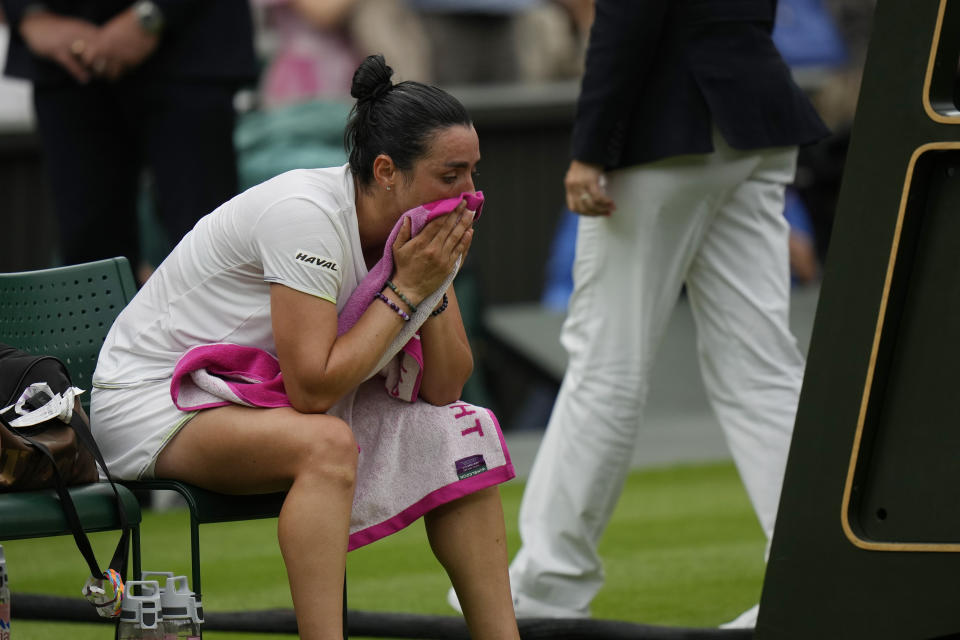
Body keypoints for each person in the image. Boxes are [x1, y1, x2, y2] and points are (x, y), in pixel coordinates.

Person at [90, 54, 520, 640]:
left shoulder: (417, 237)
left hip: (252, 398)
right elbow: (313, 390)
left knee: (458, 429)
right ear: (388, 171)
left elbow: (445, 388)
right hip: (151, 400)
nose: (470, 195)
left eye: (473, 173)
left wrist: (432, 284)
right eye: (451, 176)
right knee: (325, 444)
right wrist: (406, 290)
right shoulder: (305, 216)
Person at [487, 0, 830, 627]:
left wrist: (591, 147)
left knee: (605, 366)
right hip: (753, 117)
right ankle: (819, 580)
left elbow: (628, 16)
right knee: (761, 367)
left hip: (668, 131)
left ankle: (548, 585)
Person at [0, 0, 257, 280]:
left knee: (207, 248)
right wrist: (27, 15)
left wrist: (153, 15)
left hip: (191, 43)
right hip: (64, 61)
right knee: (90, 263)